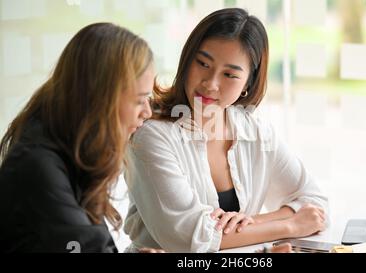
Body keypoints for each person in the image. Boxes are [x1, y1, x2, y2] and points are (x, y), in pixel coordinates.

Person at [124, 8, 328, 253]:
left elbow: (315, 203)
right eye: (203, 63)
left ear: (247, 83)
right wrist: (291, 226)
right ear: (187, 60)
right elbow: (187, 237)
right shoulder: (151, 136)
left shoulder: (254, 130)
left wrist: (254, 221)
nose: (210, 83)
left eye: (229, 74)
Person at [0, 22, 154, 252]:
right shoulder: (37, 167)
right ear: (102, 99)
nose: (148, 112)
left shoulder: (63, 146)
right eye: (139, 100)